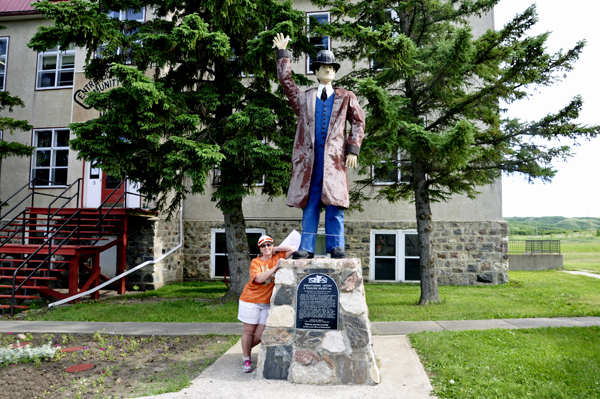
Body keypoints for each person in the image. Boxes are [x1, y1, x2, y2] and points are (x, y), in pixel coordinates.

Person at [273, 32, 365, 260]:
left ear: (335, 71)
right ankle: (306, 247)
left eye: (331, 67)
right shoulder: (304, 98)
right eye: (323, 66)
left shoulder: (346, 96)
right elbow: (287, 83)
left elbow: (358, 121)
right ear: (315, 71)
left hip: (335, 161)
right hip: (310, 161)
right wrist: (282, 54)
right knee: (311, 203)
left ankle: (336, 247)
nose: (327, 70)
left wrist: (353, 148)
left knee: (335, 205)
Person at [237, 235, 296, 373]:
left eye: (269, 245)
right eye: (263, 246)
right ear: (260, 249)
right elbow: (259, 278)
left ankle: (246, 347)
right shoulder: (255, 262)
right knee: (249, 331)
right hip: (250, 300)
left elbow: (293, 248)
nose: (267, 248)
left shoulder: (277, 255)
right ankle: (246, 359)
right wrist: (275, 267)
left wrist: (275, 249)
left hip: (265, 302)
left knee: (259, 334)